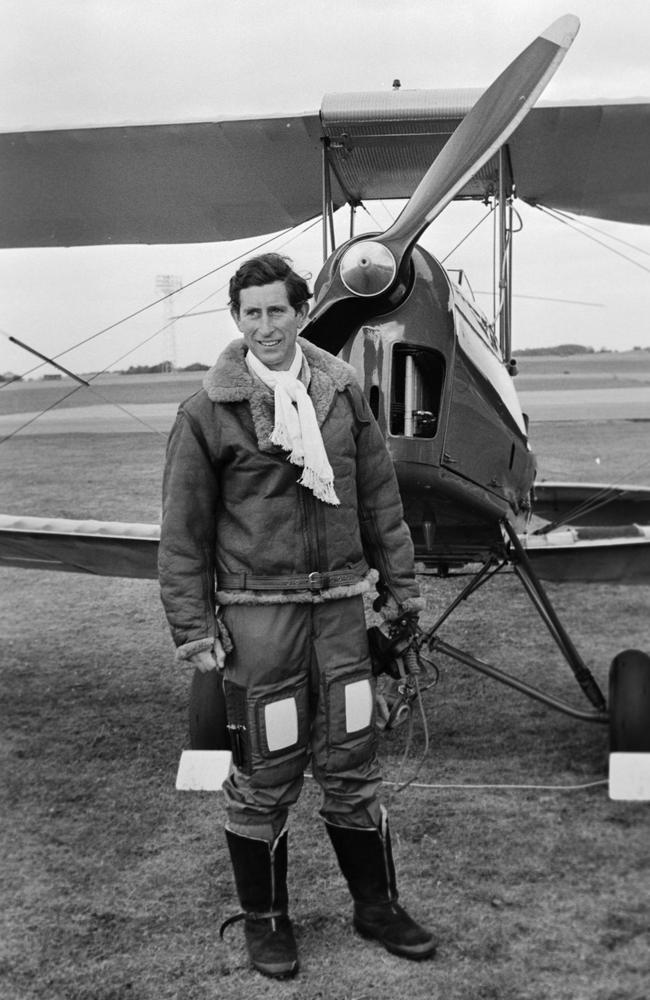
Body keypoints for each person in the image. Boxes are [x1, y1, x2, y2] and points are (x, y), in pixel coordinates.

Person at [158, 253, 436, 979]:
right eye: (250, 313)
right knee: (265, 770)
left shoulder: (344, 395)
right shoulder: (205, 412)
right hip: (259, 615)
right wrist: (193, 630)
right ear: (237, 320)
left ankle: (376, 908)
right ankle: (267, 923)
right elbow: (182, 533)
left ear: (302, 311)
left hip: (341, 608)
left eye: (276, 310)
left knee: (353, 761)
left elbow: (380, 502)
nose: (265, 326)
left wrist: (401, 595)